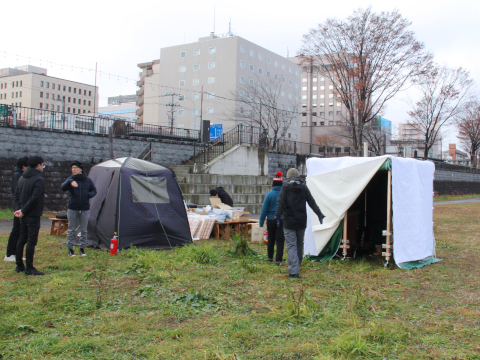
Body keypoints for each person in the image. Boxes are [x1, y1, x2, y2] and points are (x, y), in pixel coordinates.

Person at [275, 168, 325, 278]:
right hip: (301, 221)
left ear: (288, 177)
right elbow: (312, 202)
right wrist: (320, 214)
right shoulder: (303, 187)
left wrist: (277, 216)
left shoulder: (285, 187)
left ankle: (294, 271)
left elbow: (281, 202)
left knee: (291, 246)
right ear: (298, 176)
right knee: (298, 245)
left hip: (288, 222)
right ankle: (297, 264)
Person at [13, 156, 45, 276]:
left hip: (22, 214)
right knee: (31, 241)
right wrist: (24, 210)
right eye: (42, 165)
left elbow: (15, 194)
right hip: (32, 214)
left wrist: (18, 210)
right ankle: (29, 268)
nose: (42, 167)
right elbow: (35, 198)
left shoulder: (22, 177)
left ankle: (19, 265)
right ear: (38, 166)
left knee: (22, 239)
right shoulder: (39, 179)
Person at [61, 160, 97, 257]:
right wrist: (70, 181)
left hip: (85, 207)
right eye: (72, 168)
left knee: (84, 229)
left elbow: (94, 190)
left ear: (80, 169)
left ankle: (82, 248)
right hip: (73, 207)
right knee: (71, 229)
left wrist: (88, 195)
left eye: (75, 168)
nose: (73, 170)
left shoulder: (88, 180)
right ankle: (70, 249)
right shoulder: (70, 179)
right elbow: (63, 188)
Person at [4, 156, 29, 262]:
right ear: (23, 166)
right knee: (16, 230)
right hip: (19, 207)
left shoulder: (20, 174)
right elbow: (16, 193)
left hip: (20, 207)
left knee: (19, 231)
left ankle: (14, 253)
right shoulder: (18, 175)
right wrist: (18, 208)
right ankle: (9, 254)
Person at [259, 172, 285, 265]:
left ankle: (270, 257)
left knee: (271, 239)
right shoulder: (284, 195)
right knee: (280, 240)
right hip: (282, 220)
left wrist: (261, 223)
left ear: (272, 185)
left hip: (270, 220)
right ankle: (279, 260)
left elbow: (264, 210)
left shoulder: (269, 195)